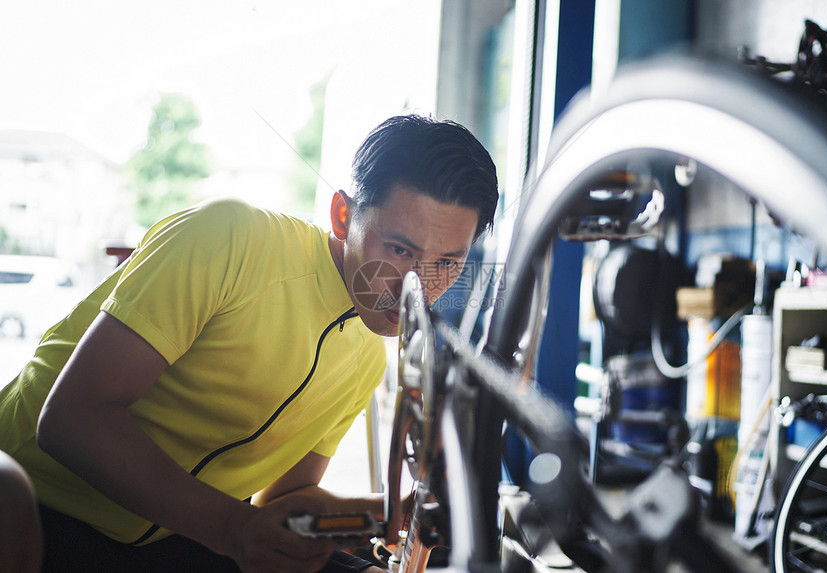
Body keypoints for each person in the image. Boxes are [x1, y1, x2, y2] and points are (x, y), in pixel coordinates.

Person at [0, 114, 498, 572]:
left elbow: (280, 503)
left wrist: (393, 513)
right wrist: (234, 529)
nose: (417, 284)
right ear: (343, 215)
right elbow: (71, 418)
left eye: (448, 263)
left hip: (171, 536)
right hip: (34, 509)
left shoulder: (366, 354)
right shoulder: (230, 240)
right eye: (399, 249)